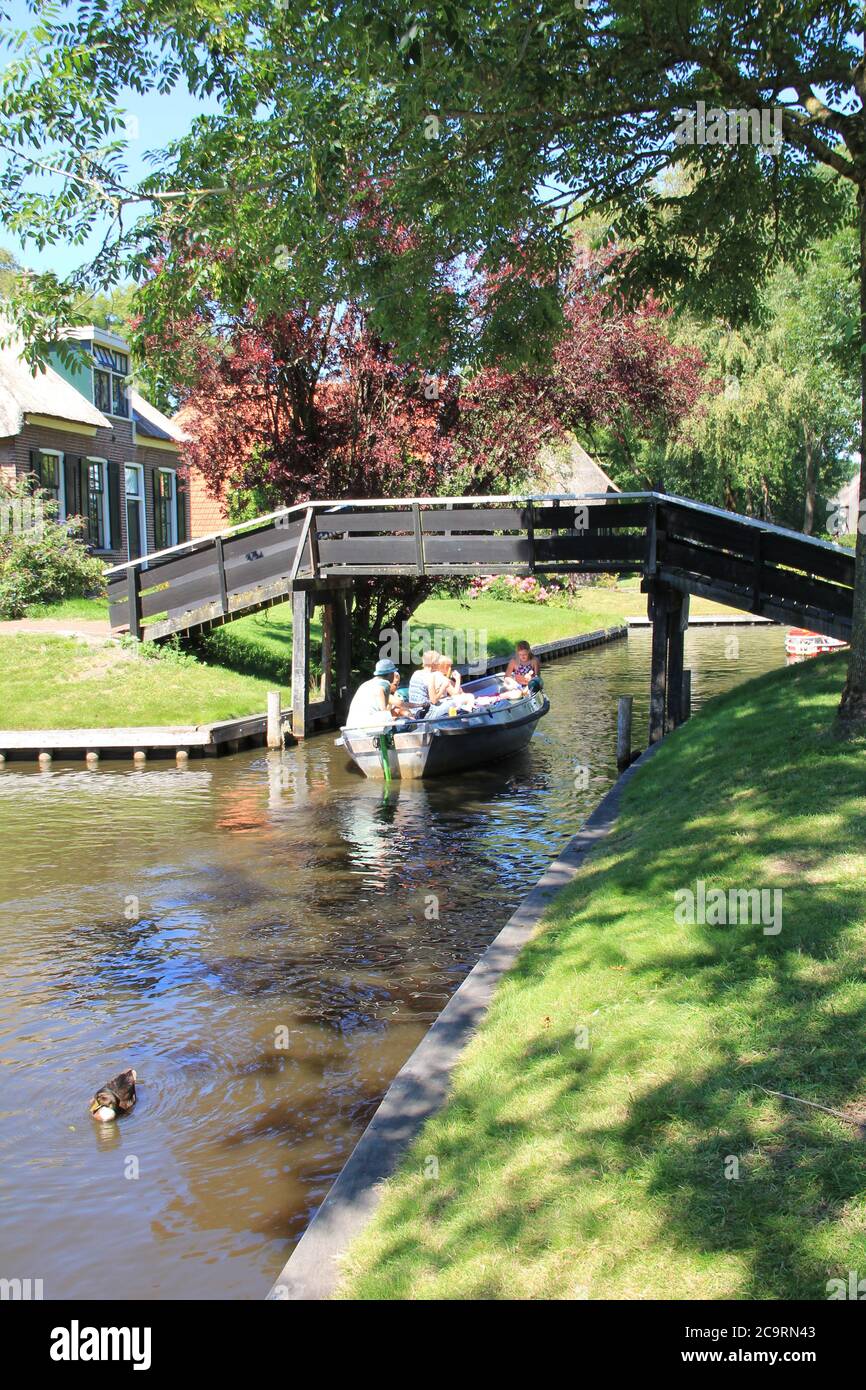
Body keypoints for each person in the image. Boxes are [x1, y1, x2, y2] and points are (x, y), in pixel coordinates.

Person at [345, 659, 400, 728]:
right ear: (391, 674)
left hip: (351, 725)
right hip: (366, 727)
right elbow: (384, 711)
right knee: (392, 719)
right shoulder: (385, 684)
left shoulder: (366, 684)